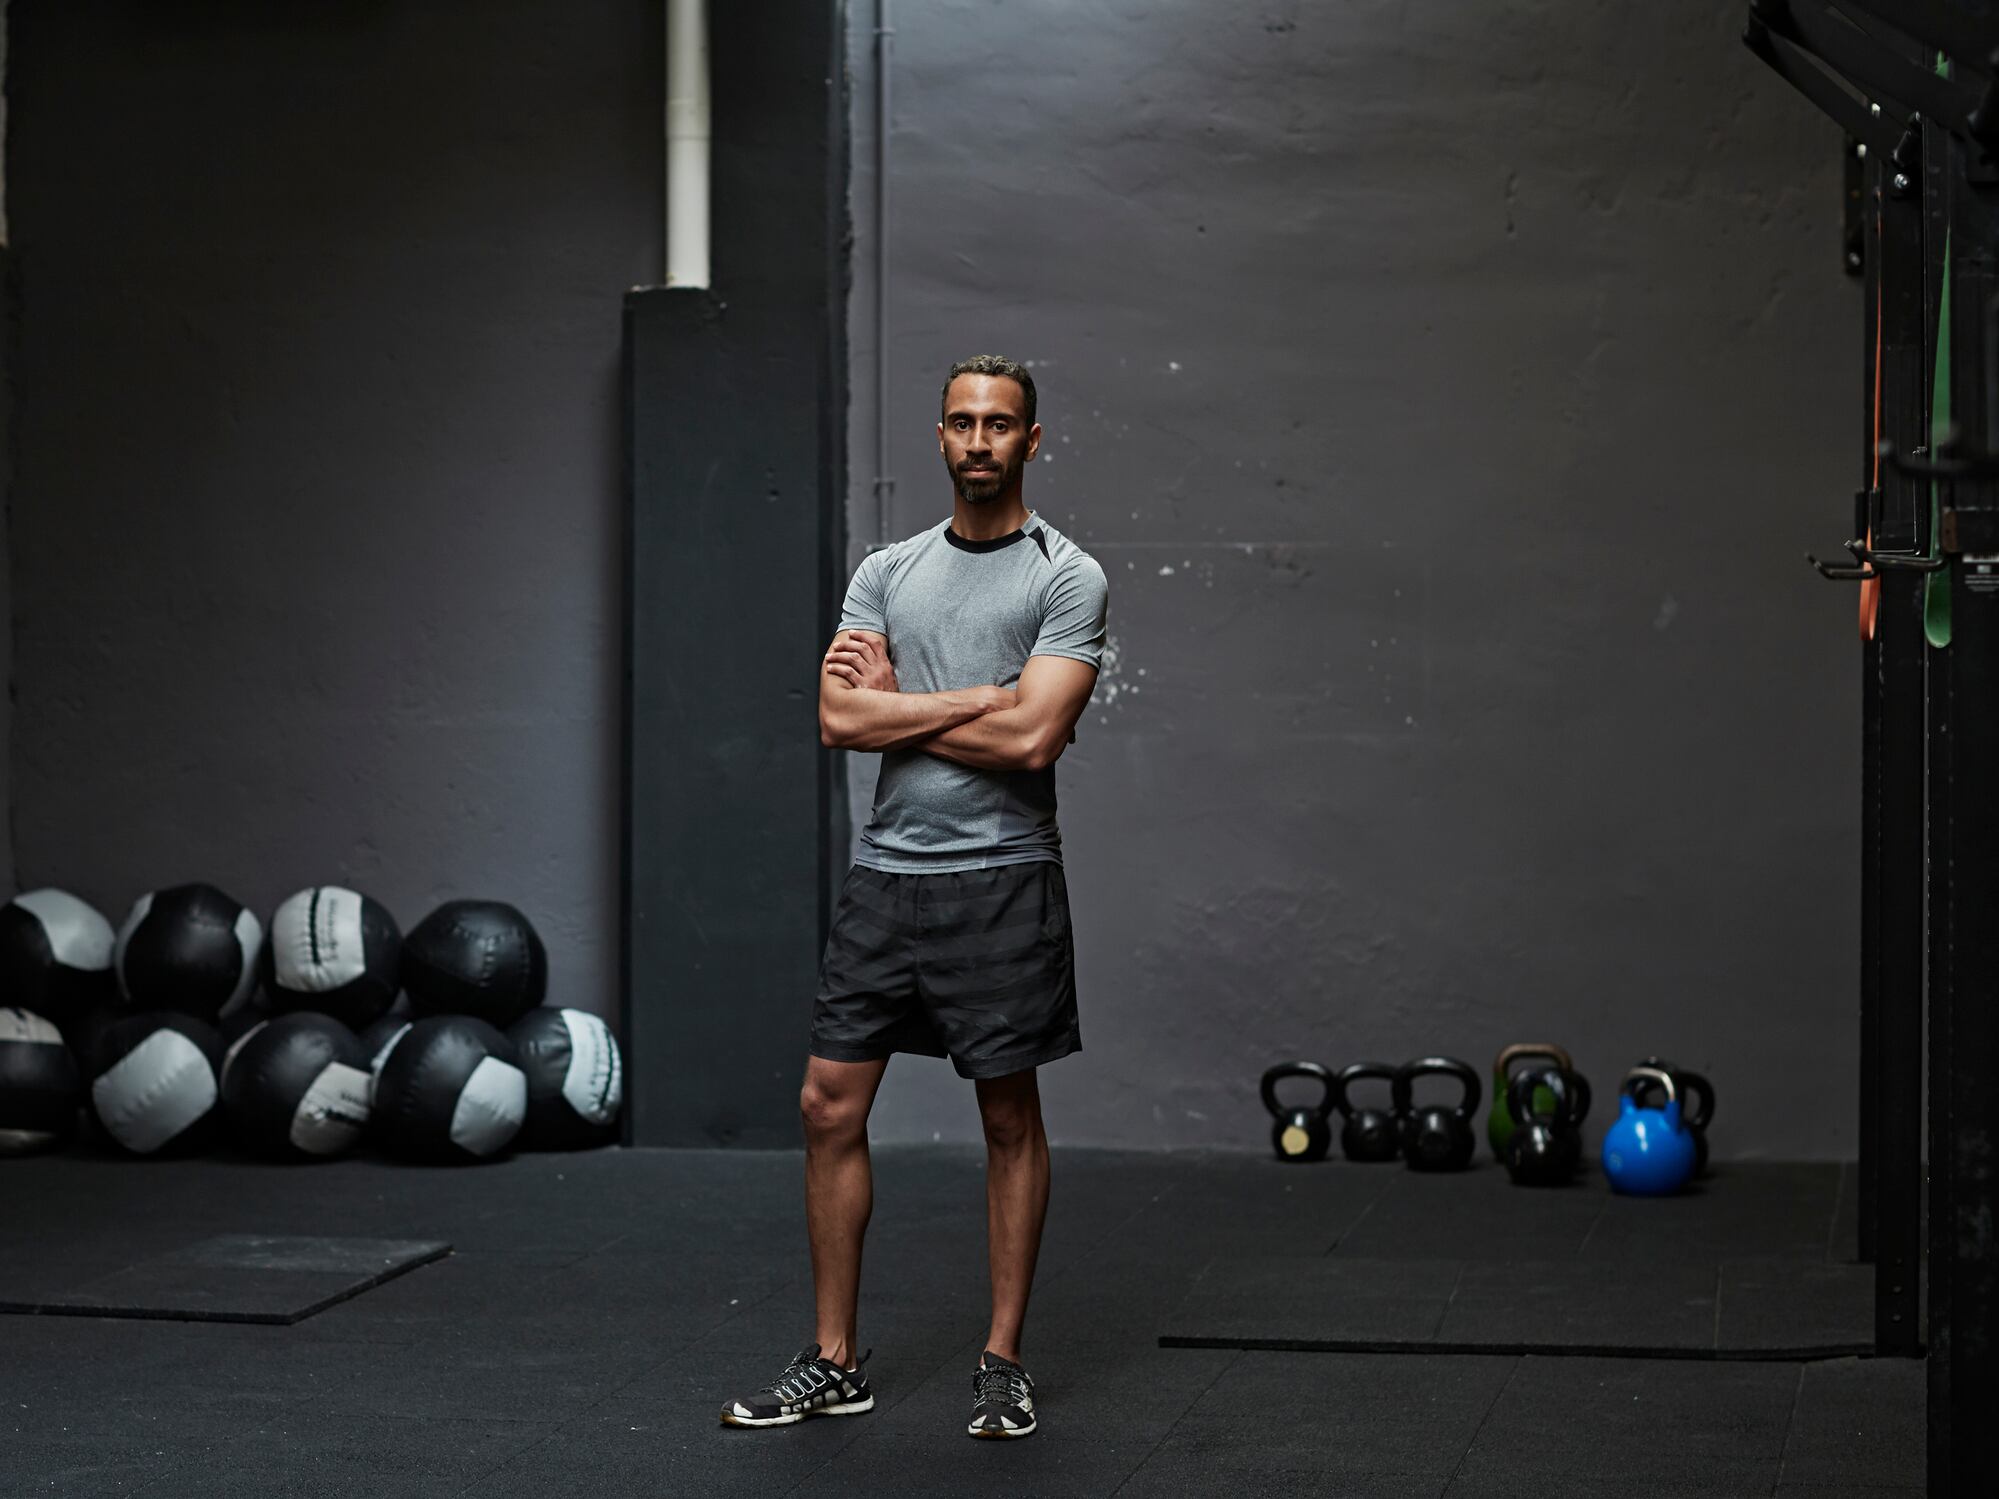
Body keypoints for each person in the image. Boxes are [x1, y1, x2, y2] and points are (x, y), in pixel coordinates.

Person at [720, 354, 1108, 1440]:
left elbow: (1035, 736)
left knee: (1005, 1114)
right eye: (960, 421)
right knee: (825, 1107)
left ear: (1030, 441)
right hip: (887, 877)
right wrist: (977, 694)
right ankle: (834, 1358)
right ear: (938, 436)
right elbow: (840, 722)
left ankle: (1001, 1359)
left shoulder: (1064, 576)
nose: (977, 439)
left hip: (1002, 878)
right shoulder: (886, 571)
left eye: (999, 424)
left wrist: (909, 704)